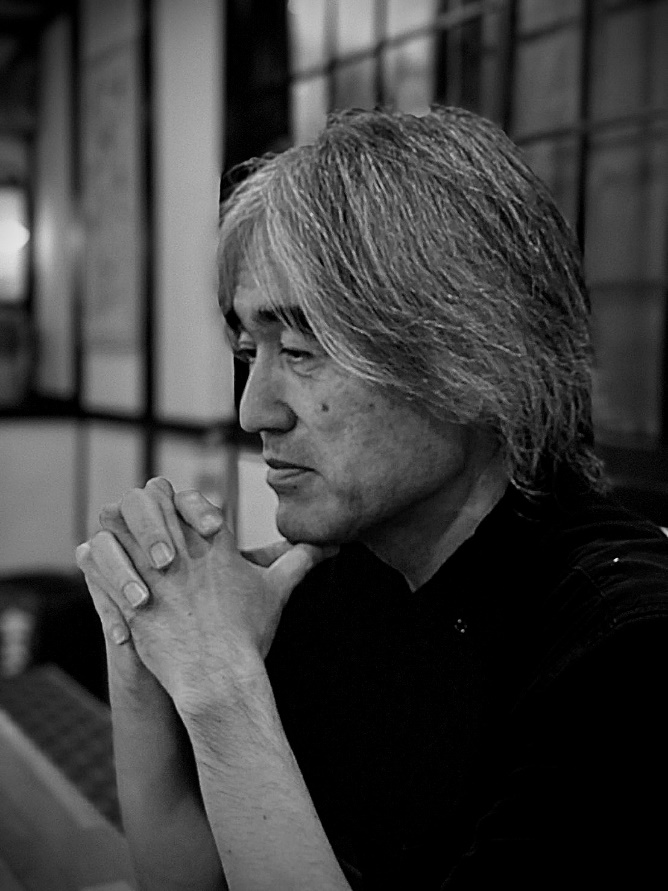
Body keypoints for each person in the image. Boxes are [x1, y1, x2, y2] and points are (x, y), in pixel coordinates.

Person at [75, 106, 668, 890]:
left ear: (470, 355)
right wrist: (143, 639)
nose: (254, 411)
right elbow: (194, 879)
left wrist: (220, 684)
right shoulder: (341, 575)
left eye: (302, 350)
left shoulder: (625, 651)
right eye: (249, 351)